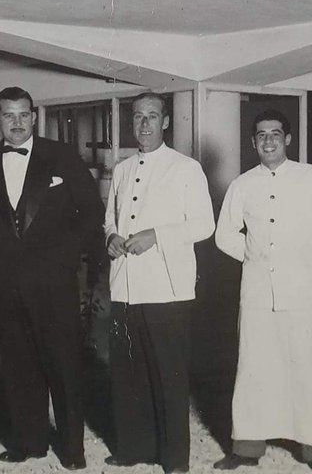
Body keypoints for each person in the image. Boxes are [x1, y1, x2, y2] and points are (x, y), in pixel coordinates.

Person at [0, 87, 104, 467]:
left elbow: (92, 212)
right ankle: (30, 442)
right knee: (18, 365)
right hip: (5, 282)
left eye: (24, 114)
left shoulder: (61, 156)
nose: (17, 122)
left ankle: (73, 450)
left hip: (55, 280)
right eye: (8, 115)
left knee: (64, 366)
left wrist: (65, 255)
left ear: (35, 116)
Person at [214, 109, 312, 474]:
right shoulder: (242, 185)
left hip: (301, 292)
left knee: (306, 369)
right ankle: (246, 448)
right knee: (254, 368)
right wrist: (257, 257)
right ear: (253, 142)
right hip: (256, 292)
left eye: (275, 133)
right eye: (261, 135)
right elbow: (225, 236)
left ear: (288, 139)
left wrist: (298, 258)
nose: (268, 140)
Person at [105, 92, 215, 473]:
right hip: (125, 289)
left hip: (167, 289)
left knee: (168, 377)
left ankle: (173, 458)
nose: (145, 124)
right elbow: (110, 219)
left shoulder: (186, 168)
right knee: (128, 374)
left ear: (166, 122)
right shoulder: (120, 170)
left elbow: (205, 225)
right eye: (138, 117)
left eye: (152, 117)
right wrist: (110, 238)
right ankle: (134, 447)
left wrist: (157, 234)